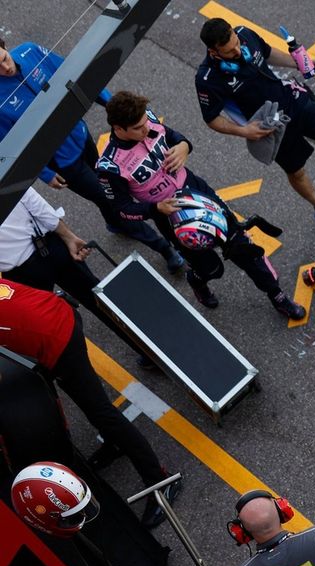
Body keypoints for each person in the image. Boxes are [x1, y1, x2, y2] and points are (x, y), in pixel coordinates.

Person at [95, 91, 306, 319]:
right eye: (138, 127)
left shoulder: (148, 119)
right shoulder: (109, 166)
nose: (146, 129)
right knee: (211, 268)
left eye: (146, 122)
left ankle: (277, 295)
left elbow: (178, 138)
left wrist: (185, 146)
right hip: (171, 214)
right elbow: (121, 210)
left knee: (241, 245)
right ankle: (197, 279)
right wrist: (155, 209)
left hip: (197, 191)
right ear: (118, 128)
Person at [0, 278, 182, 528]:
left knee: (102, 412)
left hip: (58, 339)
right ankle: (113, 443)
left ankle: (161, 480)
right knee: (89, 404)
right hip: (56, 312)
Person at [0, 37, 185, 273]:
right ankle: (163, 247)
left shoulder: (31, 52)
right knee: (112, 200)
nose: (6, 68)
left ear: (5, 47)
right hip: (63, 163)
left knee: (105, 193)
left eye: (4, 59)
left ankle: (113, 223)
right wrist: (45, 173)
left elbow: (76, 77)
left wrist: (111, 103)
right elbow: (11, 144)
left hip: (81, 135)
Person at [196, 18, 315, 234]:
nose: (238, 51)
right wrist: (244, 131)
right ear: (213, 52)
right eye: (229, 52)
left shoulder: (244, 33)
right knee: (297, 172)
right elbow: (211, 118)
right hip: (272, 126)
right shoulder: (207, 79)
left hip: (295, 99)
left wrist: (300, 62)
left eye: (236, 43)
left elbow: (267, 53)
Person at [0, 186, 161, 375]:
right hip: (50, 245)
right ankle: (151, 352)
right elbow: (34, 203)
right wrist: (69, 237)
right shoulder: (7, 171)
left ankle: (70, 378)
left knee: (43, 327)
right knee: (100, 301)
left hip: (20, 271)